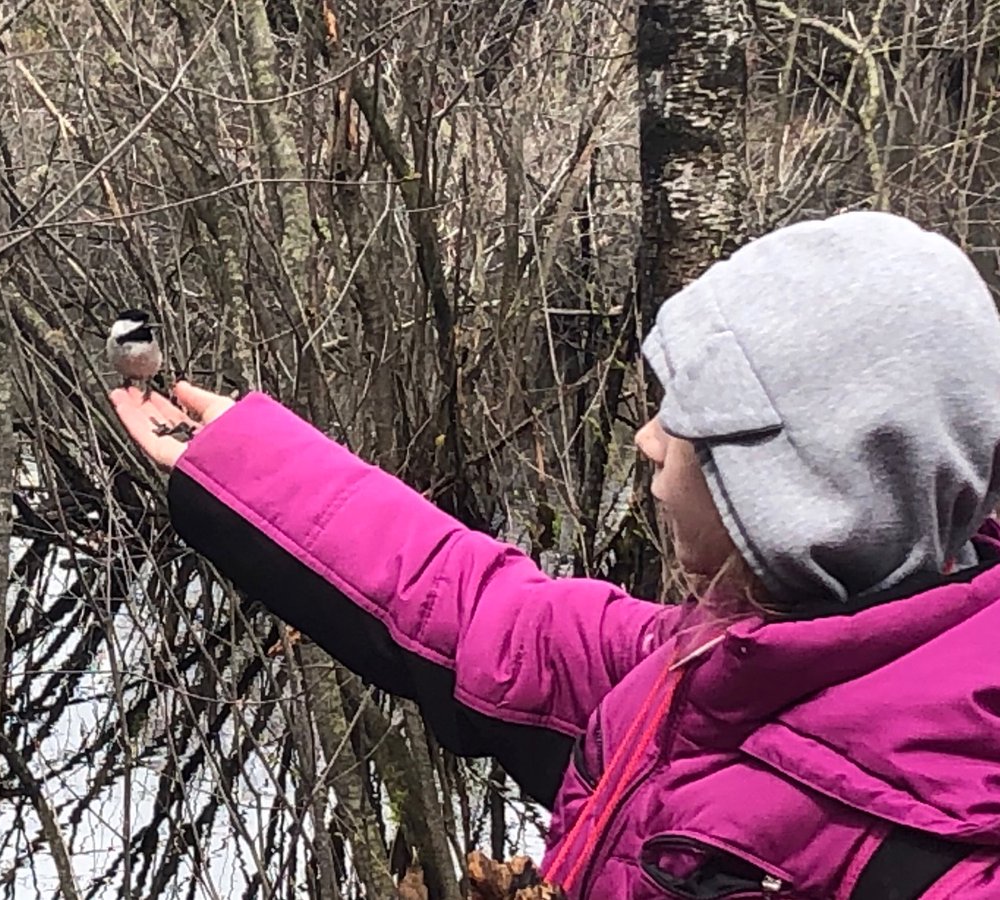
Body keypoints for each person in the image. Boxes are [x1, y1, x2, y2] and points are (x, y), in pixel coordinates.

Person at [111, 211, 1000, 899]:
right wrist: (238, 461)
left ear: (784, 493)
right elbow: (477, 611)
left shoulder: (947, 855)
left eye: (685, 417)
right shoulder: (708, 672)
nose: (648, 440)